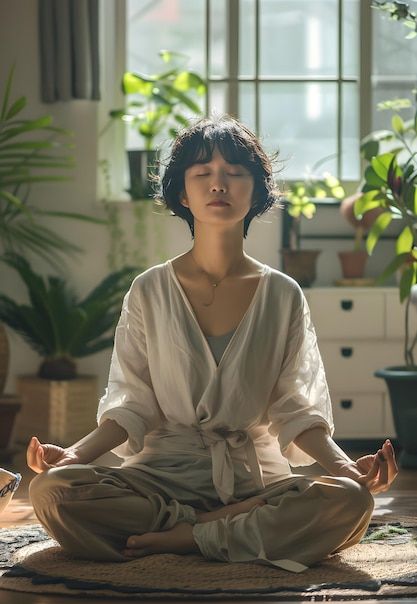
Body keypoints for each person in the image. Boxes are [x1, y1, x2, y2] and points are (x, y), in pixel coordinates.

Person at [27, 116, 398, 572]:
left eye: (235, 173)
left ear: (256, 190)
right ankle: (210, 528)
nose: (218, 184)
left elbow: (294, 409)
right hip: (158, 481)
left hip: (254, 484)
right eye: (203, 173)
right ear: (183, 193)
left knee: (350, 500)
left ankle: (186, 537)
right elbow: (134, 402)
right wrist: (73, 455)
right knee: (51, 491)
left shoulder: (282, 294)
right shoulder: (149, 289)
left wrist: (345, 470)